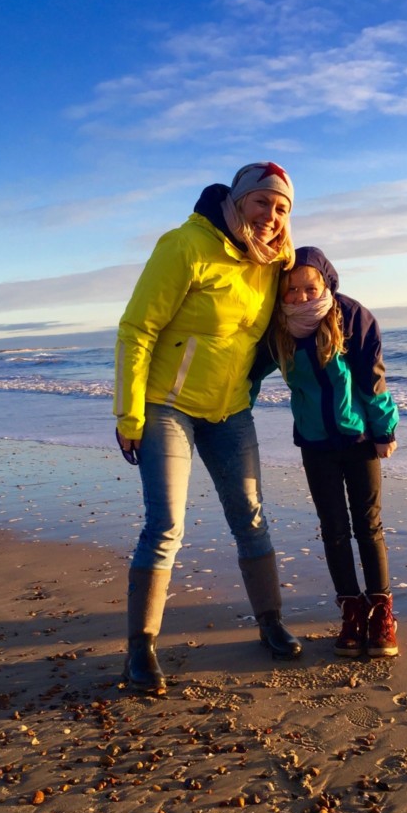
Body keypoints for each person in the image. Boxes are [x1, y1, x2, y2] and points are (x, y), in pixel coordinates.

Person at [114, 162, 303, 696]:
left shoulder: (273, 263)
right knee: (166, 525)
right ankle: (141, 648)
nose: (271, 215)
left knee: (251, 517)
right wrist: (129, 415)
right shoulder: (185, 246)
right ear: (239, 201)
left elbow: (300, 311)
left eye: (282, 207)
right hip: (167, 407)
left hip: (230, 412)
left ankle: (269, 621)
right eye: (263, 202)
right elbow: (137, 328)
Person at [252, 246, 399, 657]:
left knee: (368, 527)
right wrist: (225, 408)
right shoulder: (278, 329)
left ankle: (382, 615)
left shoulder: (352, 316)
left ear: (326, 282)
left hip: (359, 441)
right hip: (315, 445)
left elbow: (372, 379)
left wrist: (384, 428)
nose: (300, 296)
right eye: (291, 289)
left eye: (308, 286)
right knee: (333, 529)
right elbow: (249, 373)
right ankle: (352, 612)